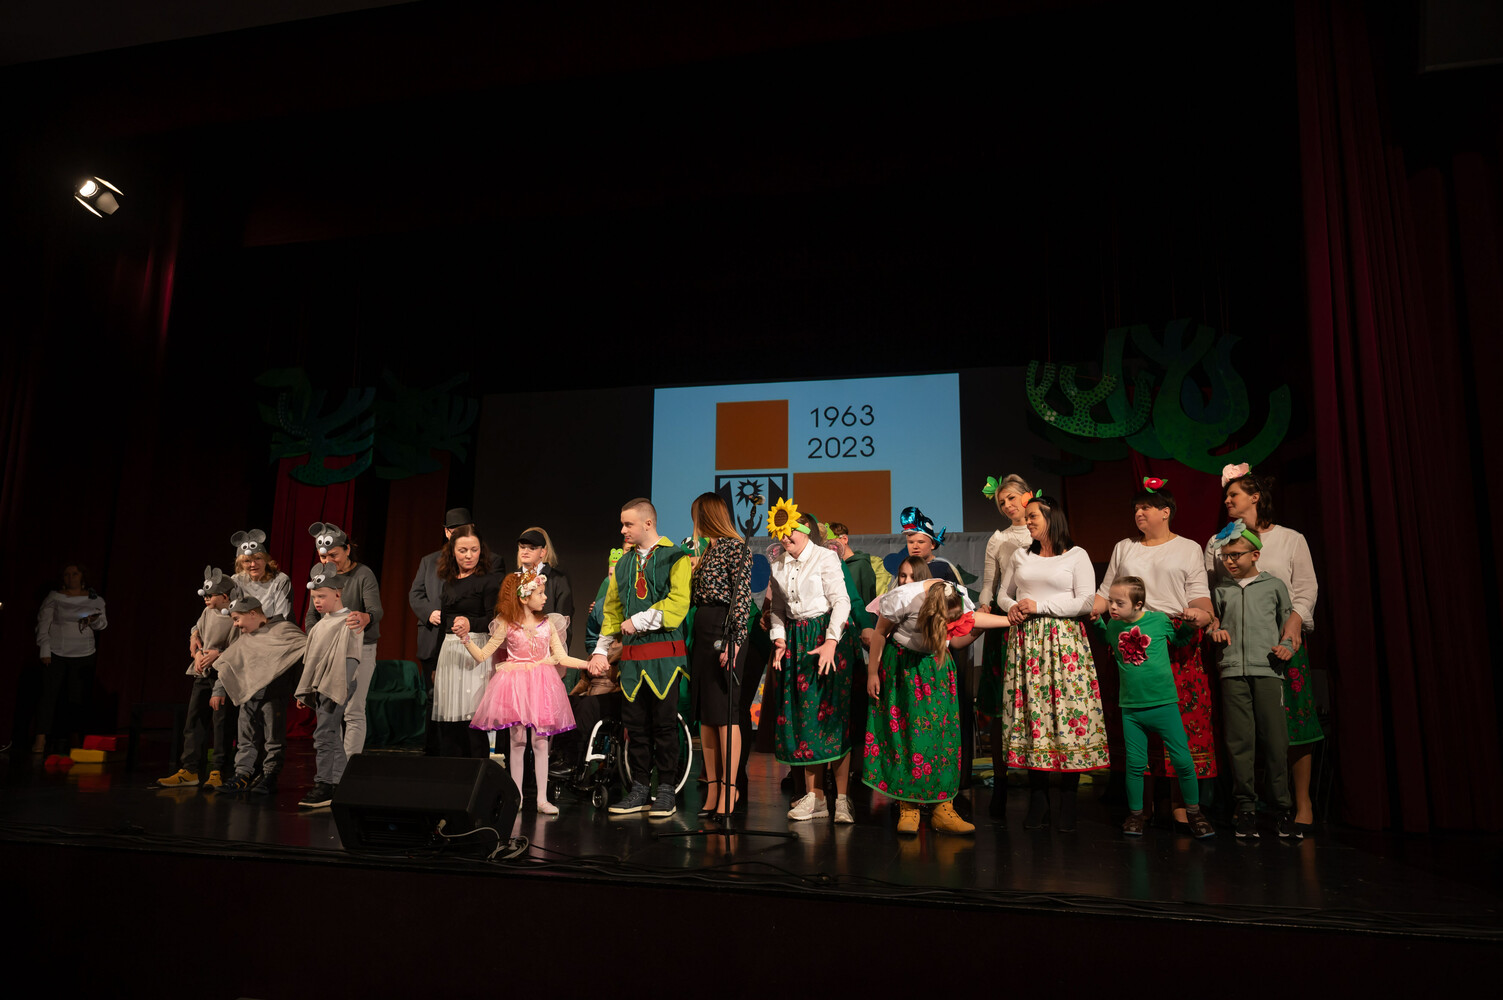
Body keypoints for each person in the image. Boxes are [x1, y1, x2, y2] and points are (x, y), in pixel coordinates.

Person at [1090, 479, 1217, 827]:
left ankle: (1181, 803)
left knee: (1180, 727)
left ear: (1166, 512)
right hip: (1131, 638)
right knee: (1135, 728)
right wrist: (1086, 608)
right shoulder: (1124, 547)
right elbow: (1104, 594)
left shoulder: (1188, 548)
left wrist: (1203, 615)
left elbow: (1199, 596)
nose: (1138, 513)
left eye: (1146, 507)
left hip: (1172, 636)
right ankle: (1140, 806)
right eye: (1136, 508)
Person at [1209, 465, 1323, 835]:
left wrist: (1294, 624)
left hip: (1282, 643)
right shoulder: (1219, 542)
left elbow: (1305, 588)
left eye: (1234, 494)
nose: (1227, 501)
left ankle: (1297, 802)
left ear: (1255, 497)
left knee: (1291, 726)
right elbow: (1215, 594)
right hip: (1240, 651)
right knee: (1243, 731)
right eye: (1226, 496)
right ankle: (1246, 804)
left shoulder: (1290, 539)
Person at [864, 578, 1010, 834]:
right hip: (904, 667)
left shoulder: (955, 596)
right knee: (908, 737)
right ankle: (909, 806)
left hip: (936, 668)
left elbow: (970, 621)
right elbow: (879, 633)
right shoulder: (903, 598)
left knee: (943, 737)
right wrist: (873, 673)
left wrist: (1009, 619)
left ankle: (943, 808)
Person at [996, 494, 1106, 832]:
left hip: (1064, 643)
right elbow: (1003, 594)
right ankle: (1039, 799)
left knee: (1067, 714)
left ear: (1051, 518)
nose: (1027, 521)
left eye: (1033, 516)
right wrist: (1013, 608)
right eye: (1027, 516)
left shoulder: (1076, 555)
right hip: (1027, 643)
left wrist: (1040, 606)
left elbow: (1086, 601)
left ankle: (1068, 801)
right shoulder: (1020, 555)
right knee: (1034, 715)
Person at [590, 498, 691, 820]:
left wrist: (641, 620)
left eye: (628, 524)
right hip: (633, 661)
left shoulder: (676, 556)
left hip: (664, 658)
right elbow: (612, 610)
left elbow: (678, 602)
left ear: (648, 523)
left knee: (664, 725)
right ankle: (639, 789)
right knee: (635, 727)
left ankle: (666, 790)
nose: (623, 530)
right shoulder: (623, 564)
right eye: (623, 524)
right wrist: (601, 649)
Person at [1093, 576, 1215, 837]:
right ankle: (1136, 815)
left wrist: (1189, 625)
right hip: (1132, 708)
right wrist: (1097, 623)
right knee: (1136, 764)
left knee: (1182, 761)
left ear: (1138, 604)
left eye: (1119, 603)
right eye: (1111, 601)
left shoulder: (1158, 621)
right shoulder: (1114, 625)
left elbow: (1179, 640)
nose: (1112, 607)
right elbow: (1106, 639)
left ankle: (1194, 813)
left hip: (1163, 704)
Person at [463, 570, 584, 814]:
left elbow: (561, 657)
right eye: (540, 593)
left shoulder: (547, 624)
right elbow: (483, 655)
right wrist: (465, 639)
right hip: (515, 687)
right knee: (517, 741)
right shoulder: (507, 624)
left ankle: (542, 799)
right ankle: (516, 796)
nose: (545, 597)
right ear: (523, 597)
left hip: (541, 685)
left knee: (540, 742)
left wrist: (587, 664)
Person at [765, 502, 854, 824]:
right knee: (805, 720)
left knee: (832, 718)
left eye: (790, 532)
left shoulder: (825, 557)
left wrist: (831, 641)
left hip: (826, 637)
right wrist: (779, 639)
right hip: (796, 640)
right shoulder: (778, 564)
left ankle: (842, 799)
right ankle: (815, 797)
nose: (785, 538)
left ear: (804, 531)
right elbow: (777, 609)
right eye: (780, 533)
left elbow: (841, 601)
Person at [1209, 520, 1298, 838]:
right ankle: (1245, 808)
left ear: (1255, 555)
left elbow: (1289, 626)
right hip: (1233, 672)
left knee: (1275, 741)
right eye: (1225, 556)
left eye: (1236, 555)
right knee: (1239, 742)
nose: (1230, 561)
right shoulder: (1221, 590)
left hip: (1267, 670)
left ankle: (1282, 809)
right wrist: (1214, 631)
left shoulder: (1274, 586)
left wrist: (1287, 647)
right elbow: (1214, 623)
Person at [686, 492, 753, 818]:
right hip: (701, 632)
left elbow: (741, 598)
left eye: (696, 516)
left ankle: (730, 787)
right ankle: (712, 788)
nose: (694, 523)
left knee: (726, 714)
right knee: (706, 715)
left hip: (724, 630)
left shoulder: (736, 548)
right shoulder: (707, 551)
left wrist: (735, 641)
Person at [977, 474, 1033, 820]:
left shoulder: (1043, 531)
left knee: (1033, 700)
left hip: (1037, 621)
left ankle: (1042, 779)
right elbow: (989, 583)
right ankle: (1000, 780)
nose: (1008, 505)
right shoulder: (998, 539)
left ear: (1028, 496)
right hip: (1005, 622)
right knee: (1001, 703)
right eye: (1002, 502)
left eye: (1012, 498)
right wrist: (984, 605)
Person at [210, 596, 306, 795]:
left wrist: (302, 691)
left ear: (252, 614)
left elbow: (300, 658)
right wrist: (219, 690)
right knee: (245, 738)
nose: (235, 625)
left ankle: (270, 775)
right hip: (249, 696)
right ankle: (242, 774)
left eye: (237, 619)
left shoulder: (284, 630)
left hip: (274, 696)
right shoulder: (246, 638)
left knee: (273, 739)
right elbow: (229, 663)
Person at [304, 522, 383, 759]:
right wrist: (316, 637)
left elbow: (375, 611)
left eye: (334, 555)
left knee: (353, 710)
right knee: (331, 709)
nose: (329, 561)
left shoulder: (363, 574)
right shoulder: (320, 575)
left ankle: (348, 765)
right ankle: (334, 763)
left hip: (360, 648)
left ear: (347, 549)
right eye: (323, 556)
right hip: (328, 650)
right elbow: (311, 616)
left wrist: (366, 617)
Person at [409, 507, 482, 755]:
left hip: (464, 640)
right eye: (453, 530)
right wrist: (430, 612)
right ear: (447, 532)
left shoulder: (478, 562)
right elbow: (416, 594)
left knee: (466, 698)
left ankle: (462, 753)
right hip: (433, 638)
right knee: (434, 696)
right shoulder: (429, 561)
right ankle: (433, 751)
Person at [157, 567, 238, 788]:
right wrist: (198, 654)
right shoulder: (206, 613)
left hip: (224, 674)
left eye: (211, 595)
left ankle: (218, 770)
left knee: (221, 723)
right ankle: (190, 769)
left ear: (225, 596)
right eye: (205, 594)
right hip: (203, 673)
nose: (206, 597)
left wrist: (218, 654)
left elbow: (240, 646)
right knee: (194, 720)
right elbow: (198, 636)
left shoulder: (234, 615)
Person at [294, 563, 364, 809]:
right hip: (322, 685)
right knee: (330, 733)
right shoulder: (320, 625)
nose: (317, 602)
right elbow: (312, 661)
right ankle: (338, 783)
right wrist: (305, 690)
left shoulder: (350, 620)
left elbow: (352, 657)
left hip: (337, 683)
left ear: (337, 593)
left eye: (322, 596)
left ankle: (323, 784)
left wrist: (340, 687)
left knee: (324, 734)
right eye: (314, 597)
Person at [430, 524, 500, 759]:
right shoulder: (448, 582)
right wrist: (435, 664)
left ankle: (478, 771)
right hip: (450, 652)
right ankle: (453, 772)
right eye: (463, 550)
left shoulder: (489, 582)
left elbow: (494, 621)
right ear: (452, 552)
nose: (469, 555)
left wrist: (471, 624)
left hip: (475, 650)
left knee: (473, 718)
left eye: (474, 550)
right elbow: (443, 625)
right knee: (450, 721)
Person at [33, 563, 108, 755]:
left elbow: (102, 624)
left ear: (82, 576)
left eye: (75, 573)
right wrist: (45, 649)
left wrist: (93, 620)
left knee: (77, 697)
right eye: (67, 574)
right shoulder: (55, 597)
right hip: (56, 651)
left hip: (84, 653)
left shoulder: (94, 598)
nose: (71, 577)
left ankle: (75, 737)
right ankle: (40, 738)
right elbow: (44, 623)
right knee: (48, 695)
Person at [517, 527, 573, 647]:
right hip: (517, 649)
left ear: (543, 552)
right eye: (522, 547)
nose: (525, 551)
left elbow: (563, 621)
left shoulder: (558, 580)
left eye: (532, 548)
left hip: (548, 648)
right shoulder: (512, 579)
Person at [229, 529, 292, 619]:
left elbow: (282, 617)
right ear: (241, 564)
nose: (253, 564)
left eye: (258, 558)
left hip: (276, 626)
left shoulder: (281, 580)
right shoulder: (236, 580)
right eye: (247, 561)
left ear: (266, 559)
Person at [898, 505, 957, 583]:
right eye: (911, 542)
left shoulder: (942, 568)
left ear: (932, 544)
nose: (915, 546)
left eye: (920, 542)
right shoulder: (905, 568)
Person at [828, 522, 878, 606]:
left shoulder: (861, 565)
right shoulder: (833, 567)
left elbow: (868, 599)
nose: (830, 548)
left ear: (844, 539)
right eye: (827, 545)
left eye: (832, 543)